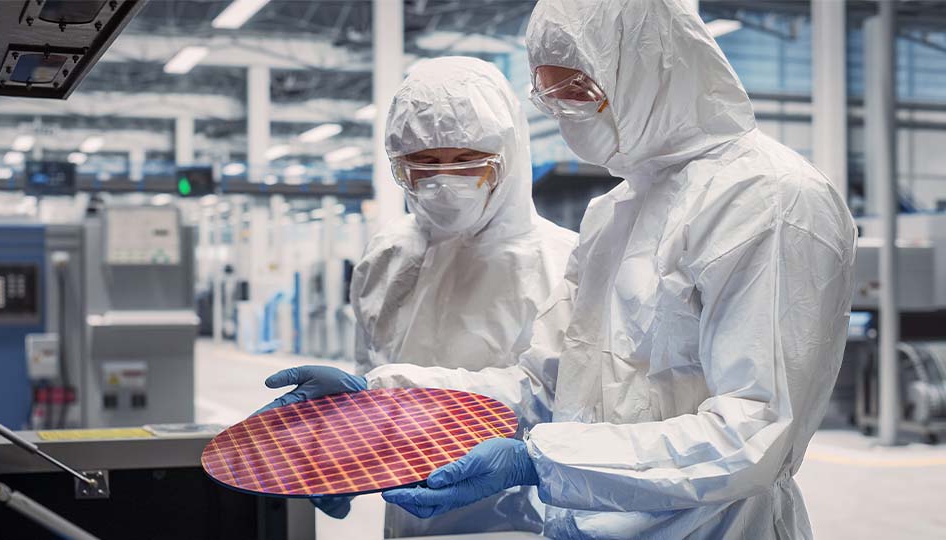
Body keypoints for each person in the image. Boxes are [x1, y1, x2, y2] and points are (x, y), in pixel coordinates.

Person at [264, 0, 857, 538]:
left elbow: (752, 437)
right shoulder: (617, 211)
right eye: (548, 96)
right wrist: (379, 397)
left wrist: (539, 462)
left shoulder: (771, 201)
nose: (563, 113)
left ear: (652, 69)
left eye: (577, 89)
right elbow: (546, 385)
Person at [257, 56, 577, 538]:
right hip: (406, 514)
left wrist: (387, 390)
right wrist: (344, 450)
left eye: (467, 162)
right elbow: (373, 373)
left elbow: (556, 395)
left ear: (508, 158)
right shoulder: (388, 255)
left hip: (526, 519)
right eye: (423, 165)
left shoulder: (564, 261)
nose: (444, 182)